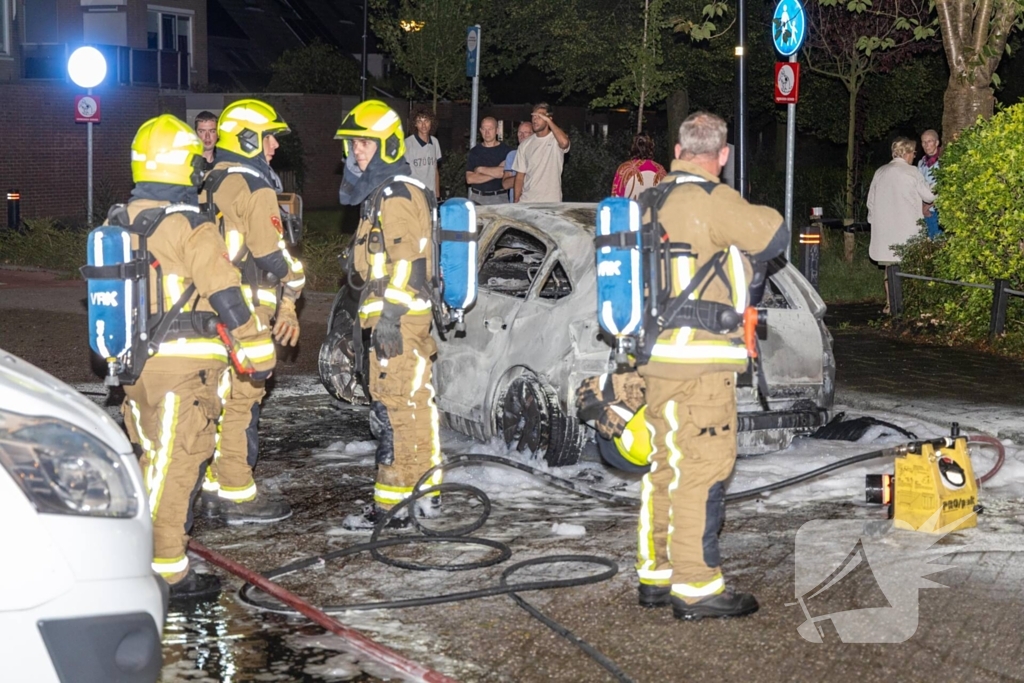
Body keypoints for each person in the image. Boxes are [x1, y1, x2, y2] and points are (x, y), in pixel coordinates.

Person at [635, 112, 787, 620]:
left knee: (666, 467)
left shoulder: (647, 200)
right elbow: (775, 236)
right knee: (703, 469)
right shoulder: (713, 199)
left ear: (676, 148)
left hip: (654, 358)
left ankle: (656, 575)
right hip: (700, 361)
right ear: (722, 155)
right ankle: (697, 586)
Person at [119, 114, 276, 601]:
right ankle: (167, 569)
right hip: (182, 371)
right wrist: (258, 352)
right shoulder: (190, 223)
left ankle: (132, 554)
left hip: (134, 368)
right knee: (180, 465)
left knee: (151, 462)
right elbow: (227, 295)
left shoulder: (121, 218)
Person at [335, 100, 443, 529]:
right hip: (402, 317)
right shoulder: (388, 191)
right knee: (414, 405)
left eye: (364, 143)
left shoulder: (395, 194)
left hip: (397, 321)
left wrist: (390, 317)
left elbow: (407, 262)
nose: (357, 152)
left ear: (386, 145)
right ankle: (423, 495)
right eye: (355, 145)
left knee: (393, 409)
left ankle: (392, 506)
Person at [199, 99, 306, 524]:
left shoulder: (209, 180)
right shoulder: (254, 185)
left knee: (215, 400)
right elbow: (270, 254)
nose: (275, 145)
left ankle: (208, 485)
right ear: (247, 139)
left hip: (207, 311)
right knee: (244, 400)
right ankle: (238, 493)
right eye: (268, 136)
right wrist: (296, 284)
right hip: (245, 315)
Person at [867, 137, 935, 310]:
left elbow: (871, 203)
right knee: (912, 268)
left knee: (889, 268)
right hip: (908, 229)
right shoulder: (912, 172)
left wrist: (874, 222)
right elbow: (929, 196)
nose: (914, 156)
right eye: (913, 152)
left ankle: (891, 304)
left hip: (885, 232)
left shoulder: (880, 172)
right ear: (906, 153)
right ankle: (913, 305)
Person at [512, 103, 570, 203]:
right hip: (527, 201)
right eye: (533, 116)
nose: (535, 119)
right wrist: (516, 199)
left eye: (540, 116)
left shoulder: (555, 139)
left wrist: (549, 121)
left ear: (548, 119)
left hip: (551, 201)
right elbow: (520, 176)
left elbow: (564, 143)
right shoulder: (525, 145)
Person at [466, 117, 512, 205]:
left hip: (499, 198)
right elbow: (470, 179)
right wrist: (497, 172)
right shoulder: (474, 152)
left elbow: (504, 173)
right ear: (480, 130)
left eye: (490, 129)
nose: (487, 132)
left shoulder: (507, 151)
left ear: (497, 130)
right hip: (477, 198)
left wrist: (480, 169)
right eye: (484, 129)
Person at [611, 132, 667, 200]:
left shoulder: (624, 169)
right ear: (651, 148)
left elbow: (615, 199)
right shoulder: (660, 170)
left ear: (632, 148)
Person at [404, 108, 442, 200]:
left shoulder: (435, 142)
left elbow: (435, 170)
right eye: (419, 121)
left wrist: (437, 195)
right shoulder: (408, 143)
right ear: (415, 124)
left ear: (431, 122)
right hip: (414, 195)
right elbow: (404, 173)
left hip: (430, 195)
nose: (423, 125)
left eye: (426, 121)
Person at [917, 129, 942, 239]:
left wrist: (929, 207)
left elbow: (944, 186)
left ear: (937, 143)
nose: (926, 145)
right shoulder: (921, 162)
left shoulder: (943, 161)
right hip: (923, 210)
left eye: (929, 141)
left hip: (937, 210)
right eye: (923, 142)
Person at [502, 121, 533, 202]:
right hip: (516, 205)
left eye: (526, 132)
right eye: (520, 132)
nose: (522, 136)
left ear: (533, 135)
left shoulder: (539, 155)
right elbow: (505, 184)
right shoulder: (512, 155)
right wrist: (525, 177)